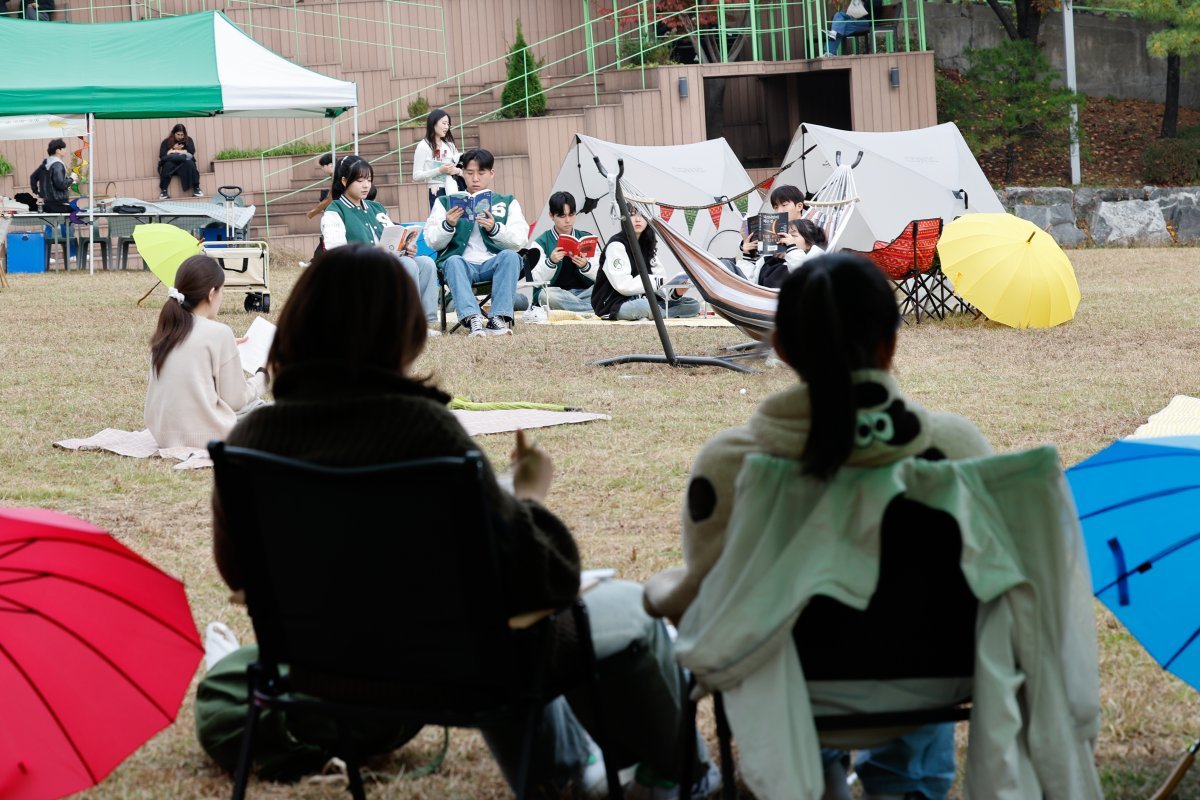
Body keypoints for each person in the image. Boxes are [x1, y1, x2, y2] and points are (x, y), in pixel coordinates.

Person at [200, 245, 720, 797]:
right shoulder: (426, 433)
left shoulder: (251, 443)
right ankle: (687, 777)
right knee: (631, 611)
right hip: (460, 669)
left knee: (492, 623)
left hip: (319, 670)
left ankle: (565, 772)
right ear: (403, 330)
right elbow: (542, 580)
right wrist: (529, 498)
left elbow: (239, 573)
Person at [644, 254, 994, 800]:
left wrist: (660, 593)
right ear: (891, 343)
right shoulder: (956, 448)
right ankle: (908, 787)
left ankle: (820, 774)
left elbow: (712, 585)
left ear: (781, 347)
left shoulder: (729, 462)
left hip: (781, 684)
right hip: (935, 681)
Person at [144, 255, 268, 449]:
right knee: (265, 409)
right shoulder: (219, 333)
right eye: (222, 290)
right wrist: (264, 375)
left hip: (163, 435)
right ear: (212, 293)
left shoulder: (167, 331)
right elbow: (236, 400)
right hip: (206, 436)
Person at [321, 155, 440, 329]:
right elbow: (336, 251)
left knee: (426, 263)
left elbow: (394, 236)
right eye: (359, 180)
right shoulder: (335, 210)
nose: (366, 185)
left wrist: (406, 247)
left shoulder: (376, 208)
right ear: (345, 181)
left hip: (388, 261)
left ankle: (427, 322)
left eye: (368, 180)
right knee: (407, 264)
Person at [423, 148, 526, 337]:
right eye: (470, 173)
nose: (475, 179)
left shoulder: (507, 202)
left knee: (511, 256)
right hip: (462, 265)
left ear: (491, 173)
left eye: (481, 173)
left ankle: (498, 319)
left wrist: (496, 229)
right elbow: (431, 241)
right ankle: (473, 318)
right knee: (453, 261)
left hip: (492, 263)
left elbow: (520, 239)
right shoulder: (445, 202)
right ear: (462, 173)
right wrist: (448, 225)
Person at [591, 205, 700, 321]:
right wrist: (657, 282)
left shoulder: (647, 244)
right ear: (624, 218)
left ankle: (656, 313)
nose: (638, 219)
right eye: (632, 215)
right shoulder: (616, 245)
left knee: (692, 304)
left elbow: (659, 283)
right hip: (614, 303)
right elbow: (623, 286)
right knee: (643, 306)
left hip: (646, 300)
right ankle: (657, 312)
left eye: (642, 215)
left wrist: (676, 291)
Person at [528, 191, 599, 313]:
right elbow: (535, 280)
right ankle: (594, 309)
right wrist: (550, 262)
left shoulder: (587, 238)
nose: (568, 220)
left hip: (584, 293)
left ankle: (575, 308)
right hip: (557, 294)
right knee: (545, 295)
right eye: (562, 216)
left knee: (604, 290)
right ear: (551, 215)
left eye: (571, 215)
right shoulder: (540, 243)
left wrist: (586, 266)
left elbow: (601, 274)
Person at [737, 184, 807, 288]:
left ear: (799, 206)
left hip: (788, 282)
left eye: (784, 205)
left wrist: (789, 249)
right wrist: (746, 246)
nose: (779, 211)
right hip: (763, 277)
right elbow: (750, 274)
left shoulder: (808, 228)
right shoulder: (773, 227)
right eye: (776, 207)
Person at [412, 108, 462, 210]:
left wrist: (455, 170)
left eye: (448, 124)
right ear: (433, 123)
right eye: (444, 123)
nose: (446, 127)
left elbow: (462, 169)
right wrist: (439, 170)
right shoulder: (423, 146)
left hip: (455, 188)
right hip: (437, 191)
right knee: (440, 221)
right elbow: (416, 175)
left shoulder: (450, 145)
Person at [299, 152, 336, 268]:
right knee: (325, 238)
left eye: (322, 166)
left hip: (338, 212)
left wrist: (313, 212)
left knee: (326, 237)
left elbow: (331, 198)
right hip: (337, 211)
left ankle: (315, 262)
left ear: (329, 165)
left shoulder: (337, 177)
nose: (322, 169)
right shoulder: (337, 176)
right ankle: (315, 262)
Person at [158, 124, 203, 200]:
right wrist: (176, 151)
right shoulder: (166, 142)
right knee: (167, 165)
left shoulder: (188, 140)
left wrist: (174, 151)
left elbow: (191, 153)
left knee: (190, 163)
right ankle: (164, 191)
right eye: (178, 134)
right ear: (174, 133)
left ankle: (197, 189)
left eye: (182, 134)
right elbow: (162, 156)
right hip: (172, 165)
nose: (180, 137)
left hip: (184, 165)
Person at [29, 138, 75, 213]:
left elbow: (33, 177)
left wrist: (38, 193)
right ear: (58, 151)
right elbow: (61, 184)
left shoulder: (45, 165)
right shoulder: (57, 165)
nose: (65, 150)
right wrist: (71, 179)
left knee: (51, 223)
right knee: (75, 216)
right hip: (59, 204)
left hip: (47, 204)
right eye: (63, 148)